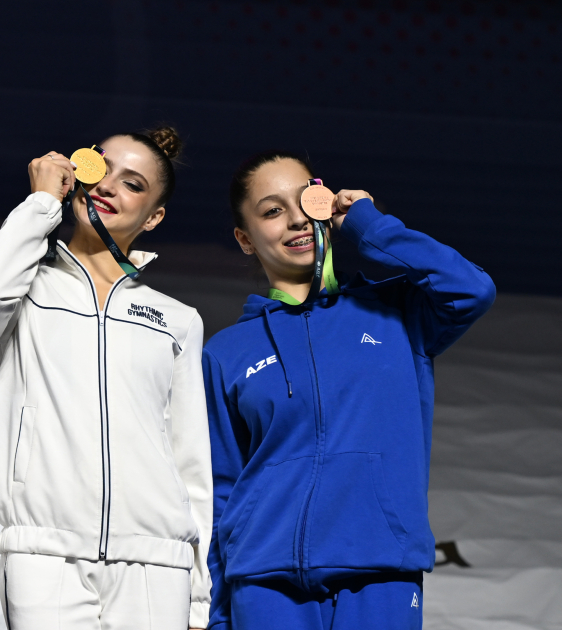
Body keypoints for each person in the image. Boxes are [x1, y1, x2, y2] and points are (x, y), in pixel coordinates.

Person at [203, 152, 496, 629]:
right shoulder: (225, 353)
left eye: (306, 201)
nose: (297, 219)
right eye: (273, 210)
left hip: (381, 571)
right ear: (245, 239)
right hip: (262, 584)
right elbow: (219, 489)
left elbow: (471, 289)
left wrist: (366, 224)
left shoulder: (398, 312)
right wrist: (216, 615)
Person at [0, 128, 212, 630]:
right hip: (42, 552)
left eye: (134, 184)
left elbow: (191, 463)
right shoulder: (23, 289)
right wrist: (41, 202)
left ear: (154, 216)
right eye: (101, 169)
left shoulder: (178, 320)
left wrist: (198, 599)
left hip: (157, 561)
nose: (110, 186)